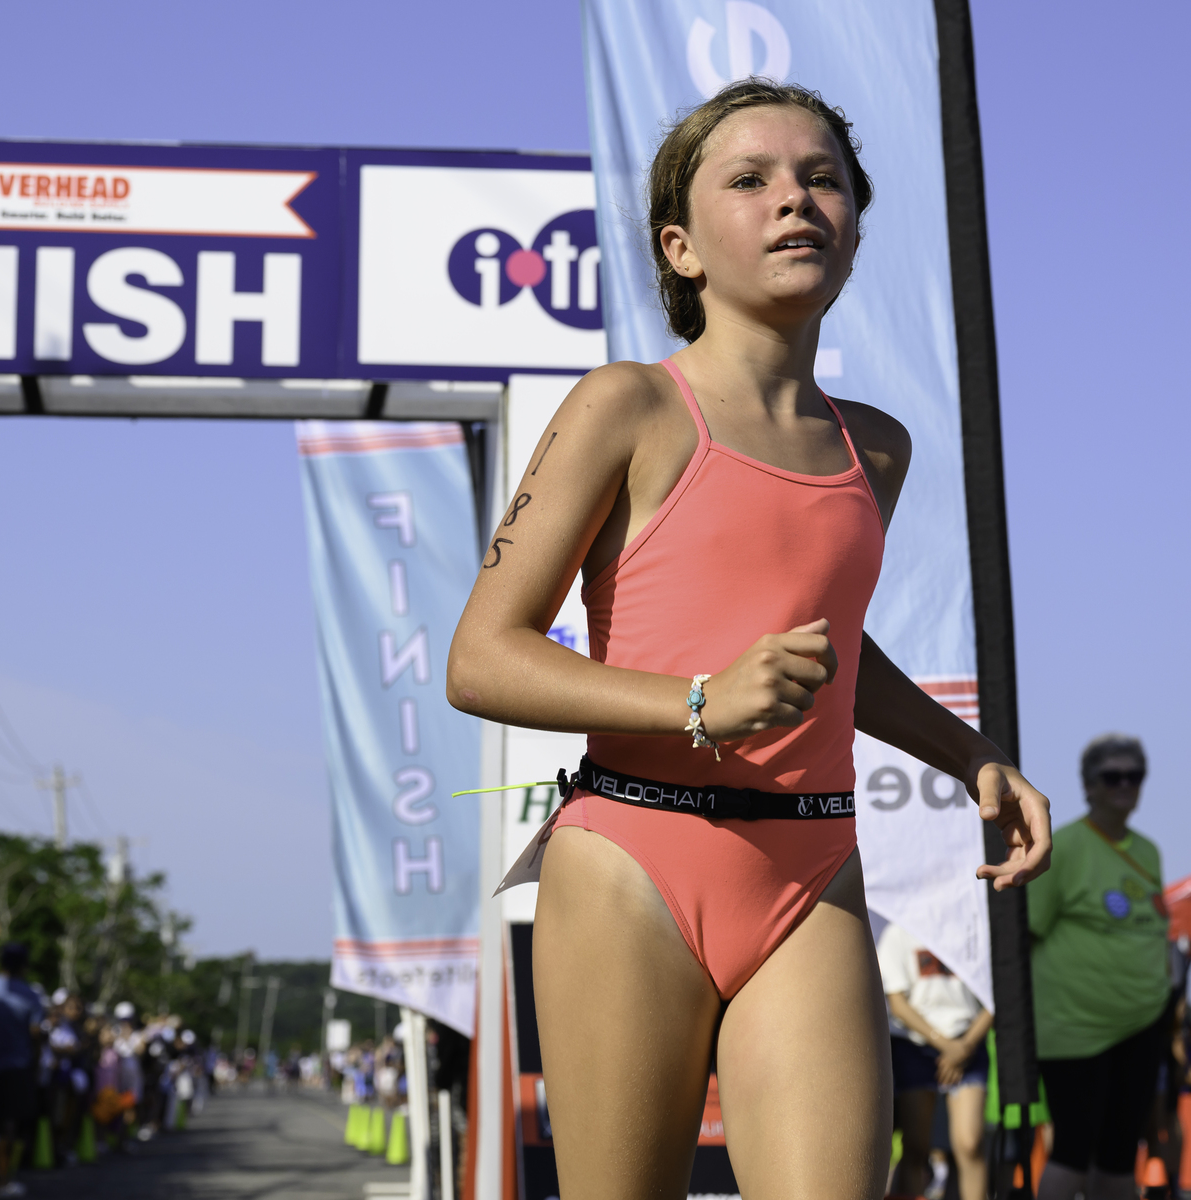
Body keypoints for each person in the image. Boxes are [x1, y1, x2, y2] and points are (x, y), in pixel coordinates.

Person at [446, 78, 1052, 1200]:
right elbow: (481, 657)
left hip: (812, 868)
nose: (795, 200)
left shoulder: (877, 448)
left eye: (822, 179)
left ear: (856, 229)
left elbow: (836, 658)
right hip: (634, 859)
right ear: (680, 247)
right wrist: (694, 702)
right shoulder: (627, 405)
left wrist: (971, 756)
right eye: (753, 179)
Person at [1030, 734, 1168, 1200]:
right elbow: (1024, 936)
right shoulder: (1063, 847)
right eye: (1113, 776)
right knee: (1071, 1150)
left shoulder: (1148, 851)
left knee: (1120, 1153)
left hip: (1143, 1024)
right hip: (1076, 1031)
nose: (1125, 785)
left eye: (1135, 775)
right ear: (1088, 786)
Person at [878, 921, 991, 1200]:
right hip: (915, 1046)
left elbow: (996, 994)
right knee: (916, 1145)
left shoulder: (974, 927)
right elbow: (897, 1003)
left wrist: (963, 1046)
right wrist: (944, 1044)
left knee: (970, 1143)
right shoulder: (898, 931)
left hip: (968, 1044)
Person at [0, 942, 41, 1196]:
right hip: (16, 1069)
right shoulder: (30, 995)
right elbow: (36, 1037)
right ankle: (2, 1180)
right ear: (24, 966)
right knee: (9, 1125)